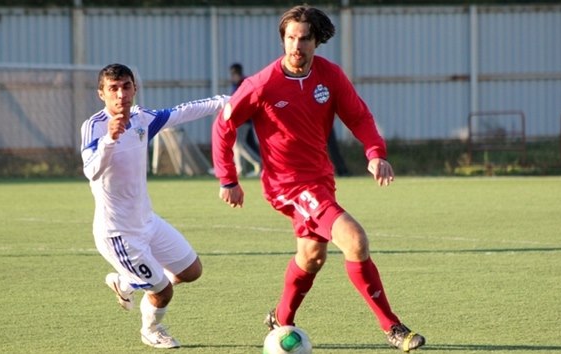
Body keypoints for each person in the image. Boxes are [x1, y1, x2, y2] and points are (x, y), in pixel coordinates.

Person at [212, 6, 425, 352]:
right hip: (287, 185)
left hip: (320, 180)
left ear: (317, 41)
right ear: (283, 40)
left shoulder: (330, 76)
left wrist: (375, 153)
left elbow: (359, 116)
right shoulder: (262, 84)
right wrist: (228, 179)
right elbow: (224, 124)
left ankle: (280, 318)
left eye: (304, 38)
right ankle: (393, 327)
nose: (297, 45)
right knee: (355, 240)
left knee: (312, 256)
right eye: (291, 38)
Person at [80, 63, 228, 349]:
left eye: (126, 86)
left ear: (135, 88)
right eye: (113, 89)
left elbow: (183, 111)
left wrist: (226, 101)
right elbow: (91, 171)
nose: (120, 94)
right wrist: (111, 138)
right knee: (163, 291)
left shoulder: (142, 119)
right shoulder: (94, 126)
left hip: (147, 221)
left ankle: (127, 283)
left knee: (192, 271)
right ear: (101, 94)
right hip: (118, 234)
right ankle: (151, 329)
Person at [229, 63, 261, 177]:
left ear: (238, 74)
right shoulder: (235, 84)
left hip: (245, 120)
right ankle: (240, 169)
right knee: (241, 144)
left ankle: (259, 163)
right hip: (238, 120)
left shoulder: (244, 83)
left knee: (239, 145)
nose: (232, 77)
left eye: (233, 75)